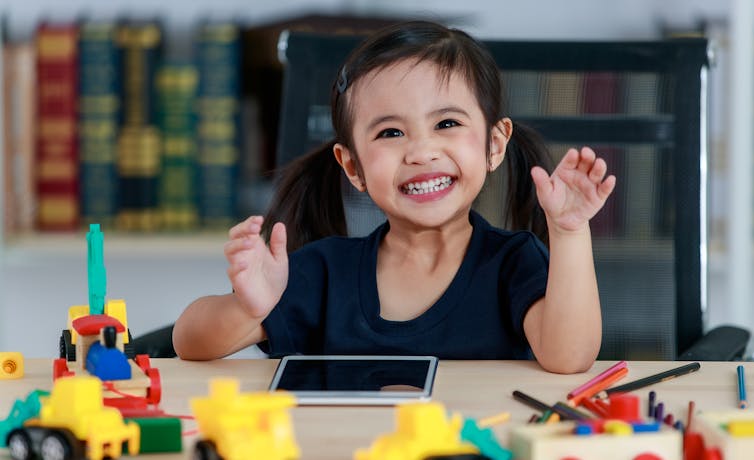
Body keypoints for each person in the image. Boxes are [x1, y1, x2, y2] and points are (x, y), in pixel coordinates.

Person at [173, 20, 616, 374]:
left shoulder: (515, 262)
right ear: (353, 167)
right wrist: (249, 309)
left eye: (447, 124)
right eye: (390, 132)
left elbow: (569, 357)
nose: (421, 152)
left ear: (494, 145)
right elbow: (188, 341)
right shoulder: (325, 271)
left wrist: (569, 231)